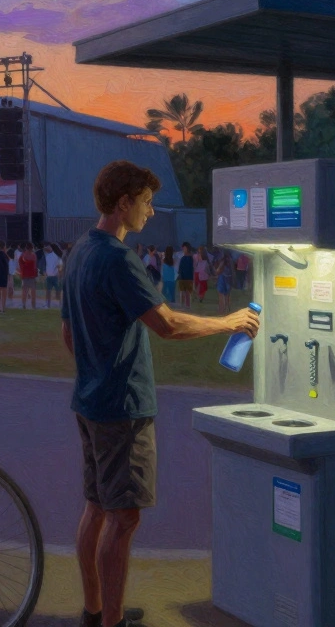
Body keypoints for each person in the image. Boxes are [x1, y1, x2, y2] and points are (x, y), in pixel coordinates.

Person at [62, 161, 260, 627]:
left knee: (95, 506)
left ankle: (95, 611)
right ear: (124, 202)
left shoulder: (79, 252)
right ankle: (111, 622)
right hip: (122, 407)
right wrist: (228, 322)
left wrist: (96, 365)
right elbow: (167, 324)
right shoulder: (116, 257)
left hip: (89, 401)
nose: (151, 212)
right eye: (147, 202)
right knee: (124, 518)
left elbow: (70, 335)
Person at [18, 241, 39, 309]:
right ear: (31, 248)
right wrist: (36, 276)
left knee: (24, 291)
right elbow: (35, 267)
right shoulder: (33, 255)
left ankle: (24, 304)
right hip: (32, 276)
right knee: (33, 292)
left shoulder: (22, 255)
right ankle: (33, 305)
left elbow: (20, 265)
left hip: (24, 275)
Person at [44, 242, 63, 308]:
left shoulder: (57, 255)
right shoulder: (47, 255)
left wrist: (60, 274)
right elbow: (47, 265)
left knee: (57, 290)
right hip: (49, 276)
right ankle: (48, 304)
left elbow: (59, 266)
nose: (47, 248)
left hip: (55, 276)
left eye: (49, 247)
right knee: (48, 291)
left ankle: (59, 304)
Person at [176, 243, 195, 309]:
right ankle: (183, 306)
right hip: (183, 277)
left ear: (187, 248)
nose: (183, 250)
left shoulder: (191, 258)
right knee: (183, 293)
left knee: (187, 293)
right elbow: (180, 269)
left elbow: (193, 268)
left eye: (184, 248)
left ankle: (187, 306)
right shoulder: (183, 258)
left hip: (189, 277)